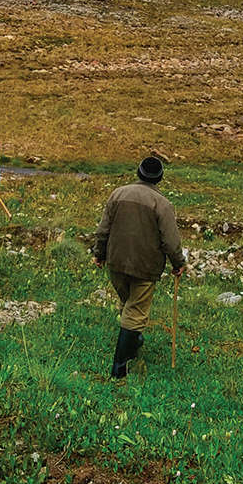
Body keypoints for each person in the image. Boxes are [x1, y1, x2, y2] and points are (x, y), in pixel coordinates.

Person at [93, 156, 186, 378]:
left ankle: (134, 340)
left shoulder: (117, 194)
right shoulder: (162, 204)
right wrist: (179, 263)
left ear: (139, 172)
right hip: (145, 266)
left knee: (127, 303)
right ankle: (120, 367)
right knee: (135, 311)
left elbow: (103, 228)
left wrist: (99, 253)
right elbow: (170, 241)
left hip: (116, 262)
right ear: (159, 178)